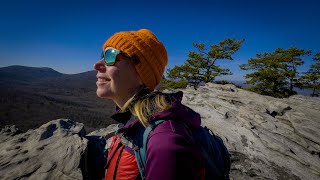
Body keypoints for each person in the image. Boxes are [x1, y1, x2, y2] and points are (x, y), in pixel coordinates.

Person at [93, 29, 205, 180]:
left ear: (141, 74)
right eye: (102, 55)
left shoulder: (164, 141)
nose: (97, 64)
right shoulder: (131, 124)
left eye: (111, 55)